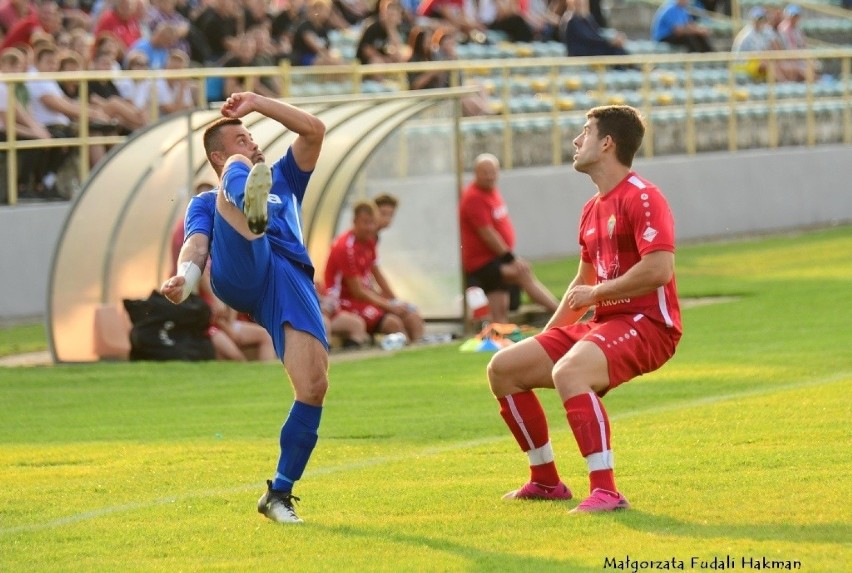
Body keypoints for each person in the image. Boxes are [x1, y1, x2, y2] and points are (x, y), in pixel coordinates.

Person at [487, 105, 682, 513]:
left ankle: (606, 490)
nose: (577, 142)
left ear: (607, 143)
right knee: (504, 368)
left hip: (648, 323)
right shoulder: (592, 209)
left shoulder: (643, 196)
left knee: (569, 372)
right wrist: (548, 338)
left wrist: (598, 294)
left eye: (585, 132)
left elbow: (659, 269)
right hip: (604, 322)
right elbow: (582, 283)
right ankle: (545, 481)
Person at [160, 91, 329, 524]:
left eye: (251, 135)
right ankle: (251, 216)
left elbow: (315, 129)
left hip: (289, 279)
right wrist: (188, 279)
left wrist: (256, 100)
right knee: (240, 178)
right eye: (241, 138)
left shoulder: (286, 179)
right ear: (216, 156)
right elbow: (196, 246)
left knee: (313, 387)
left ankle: (278, 494)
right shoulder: (205, 200)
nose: (252, 142)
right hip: (241, 272)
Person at [459, 153, 560, 324]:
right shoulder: (474, 197)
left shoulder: (491, 191)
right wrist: (511, 258)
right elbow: (488, 234)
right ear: (476, 173)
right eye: (485, 172)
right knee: (522, 273)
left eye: (493, 172)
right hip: (483, 263)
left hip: (496, 259)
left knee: (499, 313)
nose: (490, 176)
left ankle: (499, 337)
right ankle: (561, 314)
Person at [324, 200, 425, 343]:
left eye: (372, 223)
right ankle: (404, 355)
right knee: (392, 323)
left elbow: (378, 274)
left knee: (412, 316)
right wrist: (389, 306)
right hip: (343, 301)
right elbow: (358, 291)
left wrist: (395, 302)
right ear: (354, 221)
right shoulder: (345, 247)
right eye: (365, 223)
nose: (370, 228)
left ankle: (420, 349)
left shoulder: (369, 241)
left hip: (364, 298)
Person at [559, 0, 632, 63]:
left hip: (592, 50)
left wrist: (613, 39)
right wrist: (610, 42)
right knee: (615, 50)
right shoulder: (572, 22)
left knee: (618, 50)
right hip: (582, 53)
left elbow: (597, 33)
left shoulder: (589, 19)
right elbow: (589, 38)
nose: (582, 5)